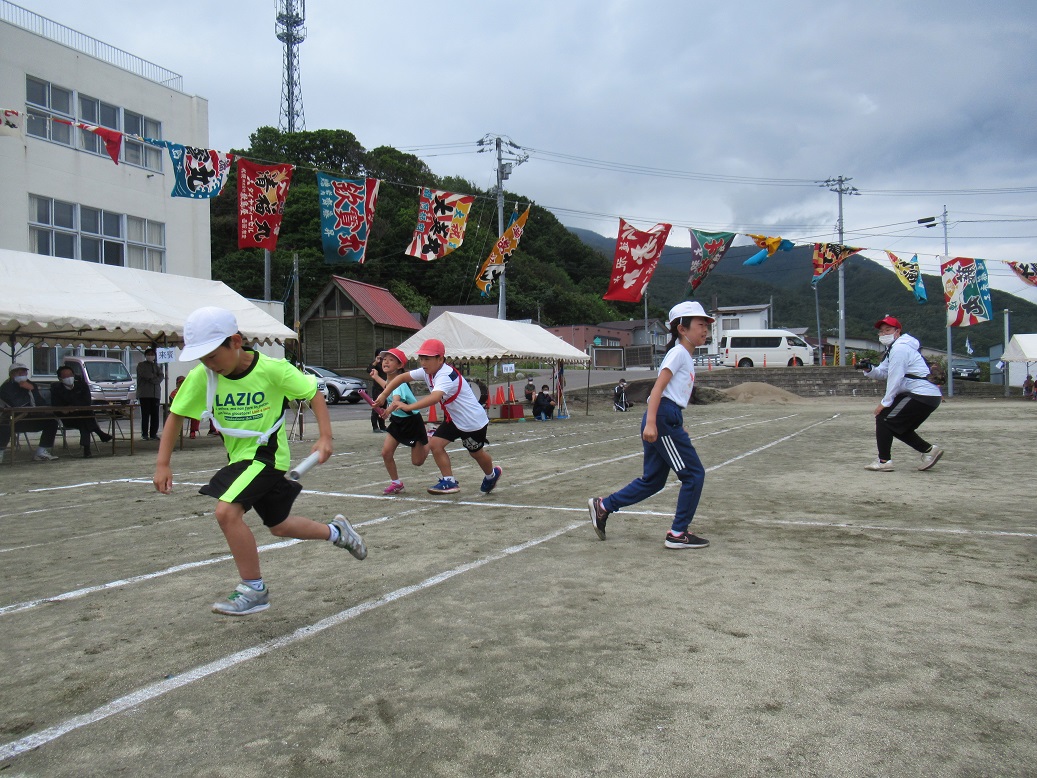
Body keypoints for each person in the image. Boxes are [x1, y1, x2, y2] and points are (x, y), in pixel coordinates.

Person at [153, 306, 367, 616]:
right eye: (201, 358)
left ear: (236, 342)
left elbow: (313, 394)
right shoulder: (205, 375)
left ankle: (253, 589)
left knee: (226, 512)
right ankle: (338, 533)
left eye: (212, 355)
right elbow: (175, 417)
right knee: (279, 526)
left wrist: (325, 438)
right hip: (240, 459)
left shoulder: (273, 369)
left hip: (266, 458)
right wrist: (162, 463)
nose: (207, 363)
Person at [588, 301, 713, 550]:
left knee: (653, 481)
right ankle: (678, 533)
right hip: (662, 417)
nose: (705, 330)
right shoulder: (678, 353)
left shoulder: (684, 355)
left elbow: (673, 395)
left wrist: (676, 423)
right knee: (693, 474)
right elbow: (657, 389)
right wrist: (654, 423)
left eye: (707, 326)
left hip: (668, 417)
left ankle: (603, 506)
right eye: (701, 325)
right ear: (682, 328)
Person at [375, 338, 502, 495]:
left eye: (427, 358)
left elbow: (435, 398)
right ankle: (449, 481)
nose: (423, 362)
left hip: (472, 421)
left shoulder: (445, 375)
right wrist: (384, 394)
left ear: (440, 359)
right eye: (421, 358)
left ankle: (492, 475)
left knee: (476, 453)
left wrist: (409, 406)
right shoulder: (427, 371)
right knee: (435, 444)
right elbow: (401, 378)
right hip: (454, 419)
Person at [859, 315, 944, 472]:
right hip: (926, 395)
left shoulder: (900, 348)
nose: (884, 334)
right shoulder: (894, 349)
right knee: (897, 426)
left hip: (921, 395)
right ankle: (929, 451)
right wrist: (868, 369)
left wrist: (885, 402)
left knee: (884, 418)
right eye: (881, 331)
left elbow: (895, 378)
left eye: (888, 330)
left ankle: (884, 461)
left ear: (897, 331)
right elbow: (882, 372)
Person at [375, 347, 430, 495]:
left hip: (412, 422)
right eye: (384, 359)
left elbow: (396, 401)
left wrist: (387, 411)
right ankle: (396, 483)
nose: (386, 361)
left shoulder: (400, 383)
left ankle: (430, 439)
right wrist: (375, 377)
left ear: (400, 366)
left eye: (391, 359)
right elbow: (387, 388)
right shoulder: (390, 381)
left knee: (417, 462)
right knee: (386, 452)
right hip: (398, 421)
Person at [0, 362, 59, 463]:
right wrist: (27, 391)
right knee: (4, 425)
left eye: (24, 373)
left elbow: (41, 403)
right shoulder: (5, 387)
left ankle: (41, 452)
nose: (23, 375)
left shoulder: (31, 385)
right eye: (19, 373)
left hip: (29, 418)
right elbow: (16, 404)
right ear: (12, 374)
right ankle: (0, 452)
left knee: (52, 422)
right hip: (13, 419)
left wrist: (32, 390)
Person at [50, 365, 113, 457]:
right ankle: (99, 434)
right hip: (68, 418)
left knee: (84, 419)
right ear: (60, 378)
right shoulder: (56, 389)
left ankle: (87, 449)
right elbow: (56, 405)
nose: (69, 378)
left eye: (70, 375)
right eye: (65, 376)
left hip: (83, 414)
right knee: (86, 419)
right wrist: (69, 407)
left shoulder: (82, 386)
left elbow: (86, 402)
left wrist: (72, 406)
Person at [136, 347, 164, 441]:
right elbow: (146, 375)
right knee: (145, 414)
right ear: (145, 355)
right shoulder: (141, 365)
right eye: (149, 354)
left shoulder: (156, 366)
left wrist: (155, 378)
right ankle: (144, 434)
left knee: (155, 415)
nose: (151, 356)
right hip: (144, 394)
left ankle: (153, 434)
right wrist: (155, 378)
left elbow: (161, 376)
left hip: (155, 394)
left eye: (153, 354)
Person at [367, 349, 388, 433]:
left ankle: (382, 426)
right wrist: (376, 362)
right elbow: (368, 370)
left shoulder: (385, 364)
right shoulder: (375, 364)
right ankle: (375, 427)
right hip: (377, 389)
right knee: (376, 407)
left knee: (383, 407)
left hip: (385, 388)